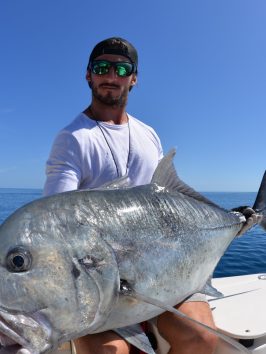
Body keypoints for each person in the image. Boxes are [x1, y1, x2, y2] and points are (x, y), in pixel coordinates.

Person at [44, 37, 260, 354]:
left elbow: (166, 198)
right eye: (102, 67)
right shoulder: (72, 140)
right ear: (88, 75)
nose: (111, 76)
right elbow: (55, 223)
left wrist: (228, 219)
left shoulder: (148, 134)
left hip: (165, 266)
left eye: (121, 68)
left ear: (134, 78)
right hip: (102, 282)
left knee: (201, 339)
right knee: (111, 352)